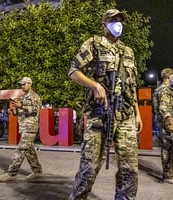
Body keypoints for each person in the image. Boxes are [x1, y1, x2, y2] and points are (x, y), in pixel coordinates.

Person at [68, 9, 143, 200]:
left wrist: (137, 113)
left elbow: (132, 85)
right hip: (100, 114)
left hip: (125, 115)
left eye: (119, 20)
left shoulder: (128, 51)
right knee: (89, 167)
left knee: (130, 169)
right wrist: (94, 86)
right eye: (113, 20)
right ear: (104, 25)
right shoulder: (93, 43)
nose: (118, 23)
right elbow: (74, 71)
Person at [0, 77, 43, 182]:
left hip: (30, 126)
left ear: (30, 84)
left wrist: (21, 105)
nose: (22, 86)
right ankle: (37, 171)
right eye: (21, 84)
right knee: (30, 152)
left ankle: (11, 173)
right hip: (23, 126)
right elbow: (19, 111)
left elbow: (35, 110)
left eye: (24, 84)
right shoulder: (22, 97)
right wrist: (12, 111)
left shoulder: (34, 96)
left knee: (21, 150)